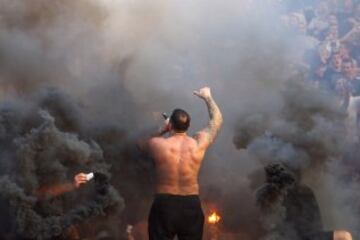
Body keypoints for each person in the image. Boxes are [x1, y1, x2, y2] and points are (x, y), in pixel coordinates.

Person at [139, 86, 223, 240]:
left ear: (170, 124)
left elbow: (141, 143)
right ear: (188, 126)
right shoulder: (198, 144)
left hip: (164, 204)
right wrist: (208, 97)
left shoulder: (159, 144)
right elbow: (216, 121)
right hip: (190, 204)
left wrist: (163, 130)